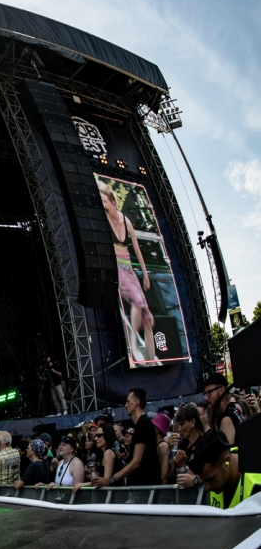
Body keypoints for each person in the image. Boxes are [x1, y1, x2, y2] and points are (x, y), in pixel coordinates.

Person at [99, 180, 156, 364]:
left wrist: (145, 275)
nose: (103, 205)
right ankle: (134, 346)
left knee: (148, 322)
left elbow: (137, 250)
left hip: (129, 268)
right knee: (137, 301)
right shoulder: (104, 220)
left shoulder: (126, 221)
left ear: (113, 202)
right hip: (116, 267)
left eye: (105, 201)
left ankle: (151, 363)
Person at [92, 388, 163, 487]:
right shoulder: (141, 424)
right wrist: (127, 458)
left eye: (128, 401)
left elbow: (136, 462)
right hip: (143, 486)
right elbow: (142, 458)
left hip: (145, 486)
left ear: (136, 403)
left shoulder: (143, 423)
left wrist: (110, 480)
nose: (125, 405)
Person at [187, 430, 261, 509]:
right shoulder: (222, 461)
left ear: (227, 461)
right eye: (203, 480)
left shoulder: (256, 486)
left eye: (211, 479)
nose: (207, 487)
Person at [169, 403, 207, 490]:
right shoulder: (183, 444)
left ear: (192, 422)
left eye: (182, 424)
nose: (179, 429)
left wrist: (183, 465)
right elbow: (165, 475)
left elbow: (204, 478)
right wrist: (168, 449)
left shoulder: (204, 444)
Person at [202, 373, 245, 446]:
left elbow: (228, 451)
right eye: (205, 394)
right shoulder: (234, 408)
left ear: (222, 390)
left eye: (209, 393)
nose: (206, 398)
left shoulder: (226, 420)